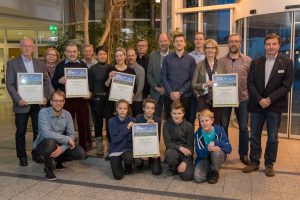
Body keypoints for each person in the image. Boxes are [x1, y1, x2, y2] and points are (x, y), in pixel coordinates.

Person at [243, 33, 293, 177]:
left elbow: (286, 86)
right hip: (257, 105)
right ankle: (254, 161)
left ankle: (269, 163)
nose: (271, 47)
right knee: (254, 135)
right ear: (264, 46)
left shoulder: (287, 62)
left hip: (275, 106)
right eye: (268, 44)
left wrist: (269, 99)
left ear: (279, 45)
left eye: (274, 44)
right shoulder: (256, 62)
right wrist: (260, 99)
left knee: (272, 137)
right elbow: (250, 83)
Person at [6, 37, 50, 166]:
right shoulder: (12, 63)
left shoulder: (40, 63)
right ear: (20, 47)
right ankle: (22, 157)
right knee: (21, 132)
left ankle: (36, 154)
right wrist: (18, 99)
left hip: (38, 103)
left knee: (38, 130)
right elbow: (10, 84)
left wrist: (45, 96)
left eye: (29, 46)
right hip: (22, 104)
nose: (27, 48)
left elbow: (46, 82)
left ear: (33, 48)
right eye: (24, 46)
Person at [33, 90, 86, 181]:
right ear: (51, 102)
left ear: (64, 102)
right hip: (43, 144)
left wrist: (62, 148)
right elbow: (46, 134)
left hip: (59, 144)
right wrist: (66, 139)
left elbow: (72, 134)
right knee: (51, 142)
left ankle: (59, 161)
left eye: (61, 101)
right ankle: (48, 169)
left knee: (81, 154)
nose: (58, 103)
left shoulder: (67, 114)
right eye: (55, 100)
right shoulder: (43, 112)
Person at [51, 41, 91, 151]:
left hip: (82, 100)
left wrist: (89, 92)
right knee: (66, 126)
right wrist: (60, 80)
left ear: (78, 52)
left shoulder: (83, 65)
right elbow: (53, 82)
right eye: (69, 52)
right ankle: (66, 149)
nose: (72, 54)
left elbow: (89, 82)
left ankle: (82, 149)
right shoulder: (60, 65)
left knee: (83, 125)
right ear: (65, 53)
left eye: (74, 51)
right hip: (67, 101)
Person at [219, 33, 252, 165]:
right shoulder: (220, 61)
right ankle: (224, 152)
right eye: (231, 41)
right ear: (228, 43)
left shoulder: (248, 60)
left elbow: (251, 80)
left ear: (240, 43)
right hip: (225, 100)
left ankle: (243, 154)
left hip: (243, 99)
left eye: (236, 41)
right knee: (224, 125)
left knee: (243, 127)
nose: (233, 44)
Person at [104, 47, 136, 159]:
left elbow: (134, 88)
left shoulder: (131, 71)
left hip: (125, 104)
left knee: (125, 125)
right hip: (112, 103)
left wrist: (132, 94)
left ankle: (127, 148)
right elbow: (106, 85)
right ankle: (110, 149)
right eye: (117, 56)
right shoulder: (110, 69)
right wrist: (110, 78)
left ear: (125, 56)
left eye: (121, 55)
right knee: (111, 126)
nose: (119, 58)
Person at [160, 33, 196, 124]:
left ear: (185, 43)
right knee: (170, 122)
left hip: (185, 97)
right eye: (176, 41)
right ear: (173, 43)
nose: (179, 43)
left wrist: (180, 93)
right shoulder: (167, 59)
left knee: (185, 123)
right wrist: (171, 92)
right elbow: (163, 77)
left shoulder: (191, 60)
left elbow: (192, 79)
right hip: (169, 97)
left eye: (181, 41)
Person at [192, 39, 225, 125]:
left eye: (212, 48)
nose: (210, 50)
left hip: (218, 99)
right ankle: (203, 139)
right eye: (207, 48)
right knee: (203, 124)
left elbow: (225, 82)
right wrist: (205, 85)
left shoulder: (221, 65)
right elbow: (193, 84)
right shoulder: (199, 65)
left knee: (216, 123)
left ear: (216, 50)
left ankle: (215, 139)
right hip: (203, 98)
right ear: (204, 50)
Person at [194, 109, 232, 184]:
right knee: (198, 178)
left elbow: (229, 149)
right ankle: (209, 168)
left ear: (212, 120)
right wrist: (207, 148)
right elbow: (198, 153)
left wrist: (216, 143)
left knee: (216, 151)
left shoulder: (220, 130)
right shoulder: (198, 134)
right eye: (202, 121)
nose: (204, 123)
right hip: (205, 158)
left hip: (217, 155)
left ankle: (215, 171)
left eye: (206, 120)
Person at [163, 101, 194, 181]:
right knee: (170, 154)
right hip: (173, 151)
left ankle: (180, 165)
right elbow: (168, 143)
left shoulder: (189, 126)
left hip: (185, 154)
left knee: (187, 177)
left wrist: (185, 162)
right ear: (170, 113)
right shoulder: (166, 124)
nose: (176, 116)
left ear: (183, 113)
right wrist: (180, 148)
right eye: (174, 113)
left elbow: (190, 147)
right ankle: (172, 168)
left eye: (179, 113)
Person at [89, 46, 111, 156]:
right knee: (97, 123)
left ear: (107, 55)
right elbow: (90, 86)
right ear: (96, 56)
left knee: (108, 123)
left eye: (104, 54)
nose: (102, 56)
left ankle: (109, 146)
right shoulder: (92, 69)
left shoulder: (111, 67)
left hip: (109, 100)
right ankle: (99, 146)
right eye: (100, 54)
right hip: (96, 99)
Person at [108, 99, 135, 180]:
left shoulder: (132, 120)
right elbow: (114, 140)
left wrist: (149, 124)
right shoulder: (111, 121)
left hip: (126, 149)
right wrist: (127, 128)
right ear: (116, 109)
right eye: (120, 108)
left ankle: (128, 166)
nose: (122, 111)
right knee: (118, 176)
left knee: (128, 158)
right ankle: (117, 161)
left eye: (125, 108)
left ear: (127, 110)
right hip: (115, 150)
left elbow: (141, 130)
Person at [134, 98, 161, 175]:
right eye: (147, 108)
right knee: (138, 163)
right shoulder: (138, 118)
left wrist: (155, 152)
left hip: (152, 148)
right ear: (143, 108)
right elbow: (136, 138)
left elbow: (157, 139)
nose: (150, 110)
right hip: (141, 147)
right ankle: (141, 161)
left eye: (152, 108)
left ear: (154, 110)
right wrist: (142, 152)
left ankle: (151, 160)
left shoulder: (157, 120)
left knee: (157, 171)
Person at [147, 33, 171, 118]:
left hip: (170, 93)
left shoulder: (174, 55)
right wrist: (156, 87)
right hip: (156, 93)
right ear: (158, 42)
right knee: (155, 118)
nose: (163, 43)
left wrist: (167, 88)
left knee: (170, 118)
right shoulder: (152, 56)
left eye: (165, 41)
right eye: (161, 41)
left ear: (169, 41)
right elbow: (149, 75)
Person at [189, 32, 206, 125]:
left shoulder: (208, 56)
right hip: (191, 92)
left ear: (204, 41)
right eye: (196, 39)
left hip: (204, 92)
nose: (198, 41)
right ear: (194, 41)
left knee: (203, 119)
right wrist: (193, 89)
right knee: (191, 118)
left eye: (200, 39)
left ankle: (202, 139)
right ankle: (190, 140)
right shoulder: (188, 56)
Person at [127, 48, 145, 117]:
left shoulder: (140, 69)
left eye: (132, 55)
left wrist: (131, 100)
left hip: (137, 101)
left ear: (136, 56)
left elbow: (140, 88)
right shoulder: (124, 68)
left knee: (136, 122)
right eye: (129, 56)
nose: (130, 57)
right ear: (126, 56)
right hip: (125, 101)